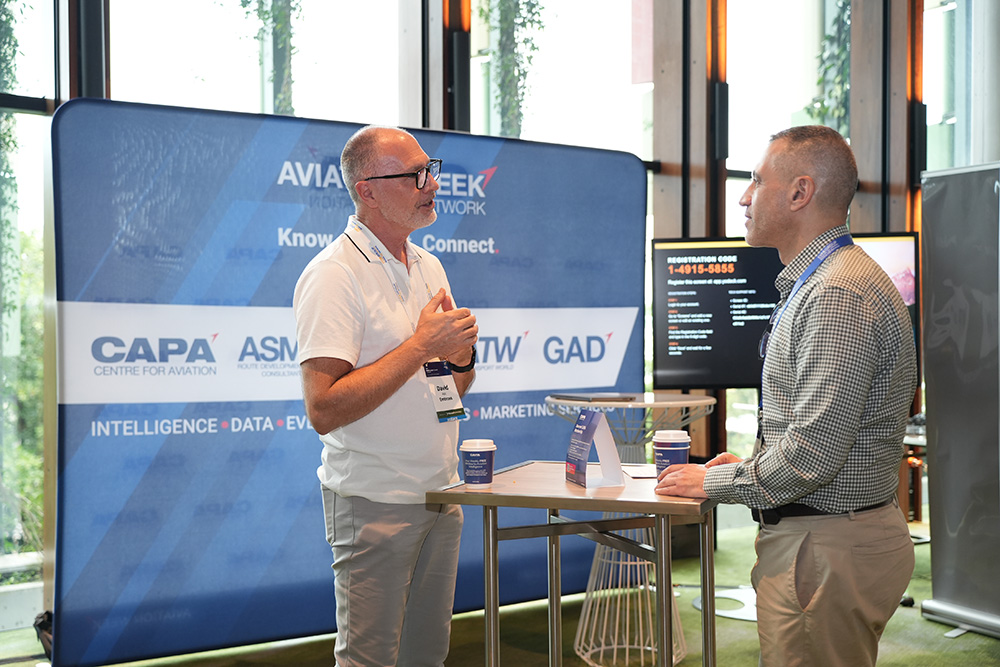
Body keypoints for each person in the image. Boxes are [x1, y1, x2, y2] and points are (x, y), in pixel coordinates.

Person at [655, 125, 917, 666]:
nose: (744, 198)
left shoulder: (836, 293)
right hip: (824, 542)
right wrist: (749, 467)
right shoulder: (825, 282)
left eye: (756, 180)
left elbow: (812, 456)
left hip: (824, 547)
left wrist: (713, 482)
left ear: (800, 192)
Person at [293, 125, 478, 667]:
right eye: (415, 175)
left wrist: (460, 357)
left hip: (441, 493)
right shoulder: (334, 274)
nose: (431, 184)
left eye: (431, 170)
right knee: (368, 660)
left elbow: (448, 387)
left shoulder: (428, 264)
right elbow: (323, 408)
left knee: (428, 656)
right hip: (375, 501)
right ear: (367, 191)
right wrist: (421, 345)